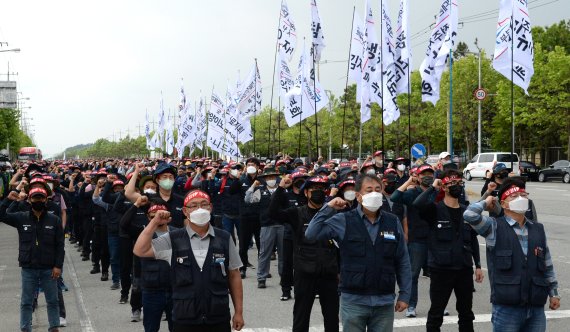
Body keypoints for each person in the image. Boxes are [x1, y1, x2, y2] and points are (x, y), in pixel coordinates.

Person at [306, 174, 411, 332]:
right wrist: (328, 207)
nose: (374, 194)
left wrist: (405, 294)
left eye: (377, 190)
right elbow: (311, 234)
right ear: (358, 196)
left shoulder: (392, 221)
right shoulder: (343, 220)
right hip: (354, 300)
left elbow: (402, 259)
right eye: (368, 190)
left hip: (384, 300)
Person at [133, 190, 244, 332]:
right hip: (185, 318)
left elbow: (234, 275)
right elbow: (139, 250)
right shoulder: (173, 238)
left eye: (204, 204)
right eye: (194, 205)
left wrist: (239, 312)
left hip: (218, 317)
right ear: (185, 211)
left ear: (210, 208)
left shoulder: (224, 238)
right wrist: (154, 222)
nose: (200, 209)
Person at [464, 178, 560, 331]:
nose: (520, 198)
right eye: (514, 196)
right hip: (507, 308)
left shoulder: (537, 229)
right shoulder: (493, 226)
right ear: (503, 204)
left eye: (523, 194)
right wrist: (486, 200)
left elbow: (547, 264)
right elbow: (469, 215)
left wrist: (554, 293)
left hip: (535, 307)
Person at [413, 170, 483, 332]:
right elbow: (417, 204)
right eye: (452, 183)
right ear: (444, 186)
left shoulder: (468, 211)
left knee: (466, 313)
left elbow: (472, 239)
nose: (457, 186)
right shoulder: (434, 210)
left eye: (459, 183)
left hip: (464, 268)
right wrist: (433, 187)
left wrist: (478, 265)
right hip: (440, 269)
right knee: (436, 313)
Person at [268, 175, 340, 332]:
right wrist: (280, 188)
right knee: (301, 316)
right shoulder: (297, 213)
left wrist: (339, 271)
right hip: (304, 273)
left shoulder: (334, 213)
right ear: (306, 193)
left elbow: (340, 245)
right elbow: (273, 213)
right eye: (314, 190)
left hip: (329, 274)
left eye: (321, 189)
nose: (318, 192)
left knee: (332, 318)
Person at [1, 188, 65, 332]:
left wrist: (58, 266)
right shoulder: (21, 217)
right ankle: (25, 328)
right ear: (29, 200)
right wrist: (8, 200)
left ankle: (54, 327)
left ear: (46, 200)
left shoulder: (54, 220)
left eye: (41, 198)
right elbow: (1, 215)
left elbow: (60, 245)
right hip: (28, 267)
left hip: (49, 268)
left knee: (53, 301)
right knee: (26, 302)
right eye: (35, 198)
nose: (38, 201)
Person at [390, 164, 435, 317]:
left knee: (436, 274)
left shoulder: (436, 192)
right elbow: (395, 197)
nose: (427, 176)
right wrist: (409, 180)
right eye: (424, 174)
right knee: (413, 274)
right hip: (417, 239)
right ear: (418, 176)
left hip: (435, 239)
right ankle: (411, 305)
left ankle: (436, 305)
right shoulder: (412, 193)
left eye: (430, 173)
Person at [244, 166, 284, 289]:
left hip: (282, 224)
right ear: (265, 179)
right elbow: (248, 200)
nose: (271, 179)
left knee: (283, 254)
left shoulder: (282, 190)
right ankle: (261, 277)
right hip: (267, 225)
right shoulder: (260, 191)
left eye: (273, 177)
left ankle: (284, 277)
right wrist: (252, 186)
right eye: (268, 177)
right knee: (264, 253)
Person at [229, 157, 263, 279]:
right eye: (248, 164)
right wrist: (237, 178)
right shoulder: (241, 180)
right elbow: (231, 191)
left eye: (253, 164)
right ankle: (242, 269)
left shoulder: (262, 180)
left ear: (258, 167)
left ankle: (262, 269)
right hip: (244, 217)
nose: (251, 166)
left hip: (259, 217)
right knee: (243, 245)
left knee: (261, 245)